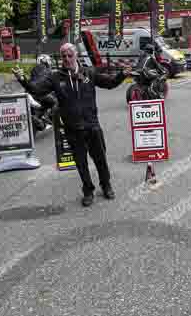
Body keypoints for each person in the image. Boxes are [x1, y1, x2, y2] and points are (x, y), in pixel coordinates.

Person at [13, 43, 132, 207]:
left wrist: (122, 75)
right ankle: (88, 190)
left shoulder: (88, 72)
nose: (67, 59)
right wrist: (23, 79)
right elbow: (36, 90)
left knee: (100, 160)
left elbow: (109, 83)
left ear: (76, 56)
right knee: (81, 163)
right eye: (63, 56)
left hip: (92, 126)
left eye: (70, 55)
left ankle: (106, 185)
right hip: (73, 129)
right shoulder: (55, 77)